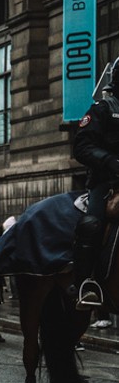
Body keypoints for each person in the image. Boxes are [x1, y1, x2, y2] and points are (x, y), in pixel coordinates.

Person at [70, 56, 119, 309]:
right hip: (108, 183)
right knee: (92, 223)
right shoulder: (102, 109)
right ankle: (86, 284)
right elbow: (81, 146)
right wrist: (111, 161)